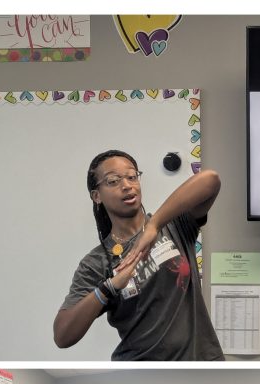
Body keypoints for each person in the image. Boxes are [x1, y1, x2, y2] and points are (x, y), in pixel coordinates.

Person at [53, 149, 224, 361]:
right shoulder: (96, 263)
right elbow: (63, 335)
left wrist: (154, 224)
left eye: (132, 177)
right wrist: (109, 287)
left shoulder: (173, 225)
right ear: (97, 196)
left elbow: (210, 180)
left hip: (200, 362)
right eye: (113, 181)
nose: (127, 185)